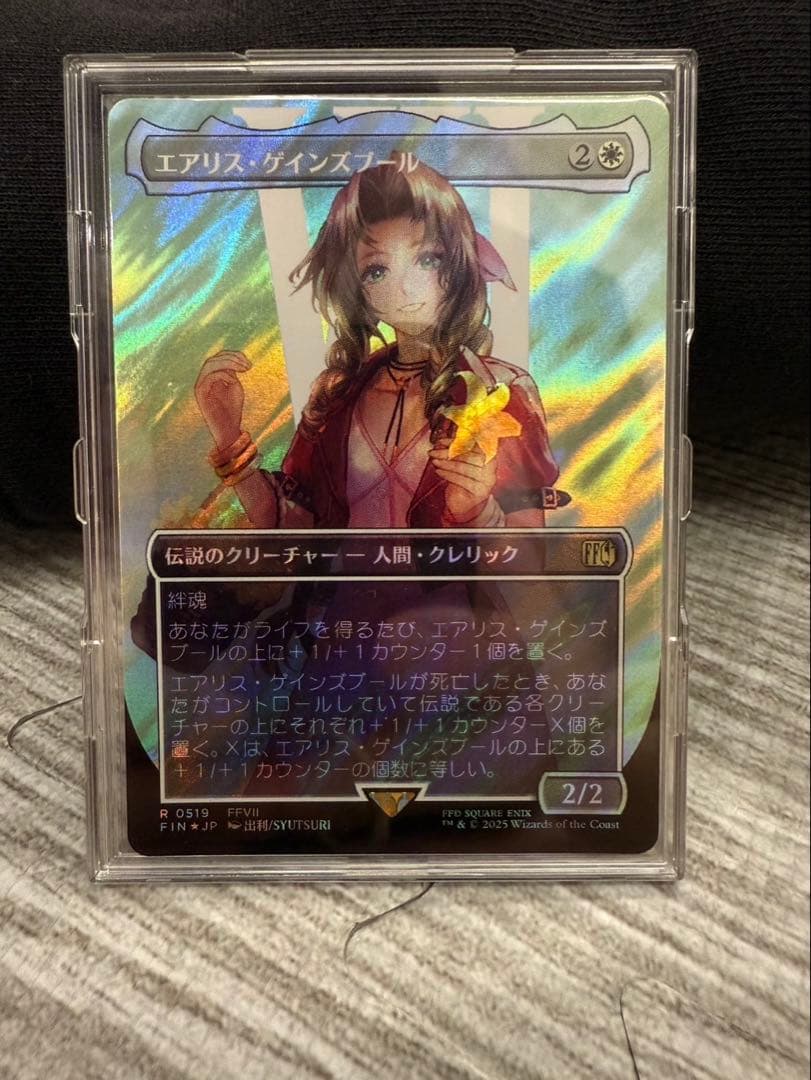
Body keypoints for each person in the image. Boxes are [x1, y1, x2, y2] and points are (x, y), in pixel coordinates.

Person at [193, 159, 568, 530]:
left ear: (458, 262)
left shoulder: (501, 391)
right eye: (377, 270)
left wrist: (476, 511)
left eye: (427, 259)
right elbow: (292, 527)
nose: (405, 287)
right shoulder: (338, 393)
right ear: (354, 287)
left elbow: (529, 557)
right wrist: (228, 434)